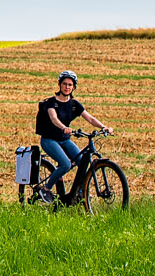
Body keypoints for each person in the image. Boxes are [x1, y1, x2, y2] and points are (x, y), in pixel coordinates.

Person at [35, 70, 110, 203]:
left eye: (70, 85)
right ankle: (45, 189)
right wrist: (64, 128)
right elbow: (54, 118)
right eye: (64, 84)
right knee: (65, 164)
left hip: (65, 140)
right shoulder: (51, 103)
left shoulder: (74, 104)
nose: (67, 87)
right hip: (49, 140)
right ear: (59, 85)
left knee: (82, 162)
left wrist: (103, 127)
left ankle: (80, 192)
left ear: (74, 87)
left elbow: (90, 118)